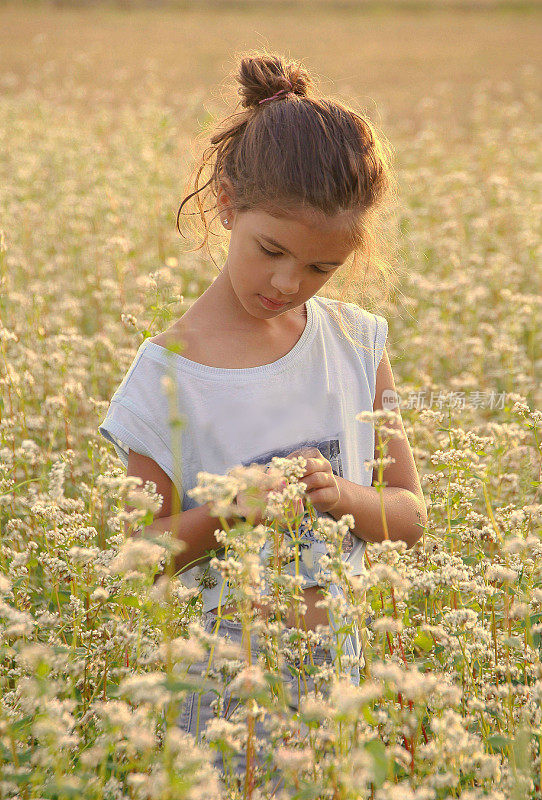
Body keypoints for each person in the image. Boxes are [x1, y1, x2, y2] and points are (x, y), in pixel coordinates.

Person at [98, 51, 428, 782]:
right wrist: (229, 511)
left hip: (345, 700)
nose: (288, 283)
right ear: (225, 205)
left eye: (320, 269)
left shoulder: (356, 344)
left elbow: (408, 515)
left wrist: (344, 499)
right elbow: (136, 562)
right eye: (270, 251)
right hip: (219, 717)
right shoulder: (160, 380)